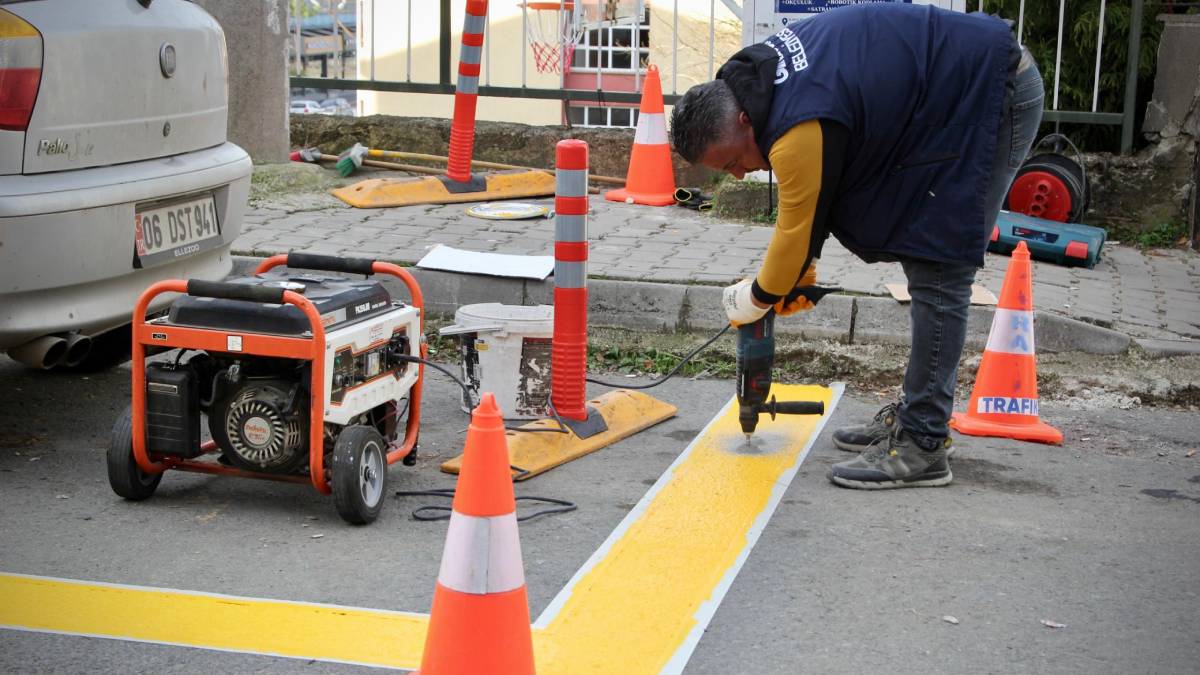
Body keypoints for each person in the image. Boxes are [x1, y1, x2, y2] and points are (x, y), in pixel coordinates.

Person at [670, 3, 1044, 489]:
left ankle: (924, 443)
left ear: (742, 120)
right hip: (942, 94)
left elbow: (795, 227)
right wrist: (800, 271)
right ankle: (914, 415)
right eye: (727, 172)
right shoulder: (758, 82)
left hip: (989, 92)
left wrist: (759, 296)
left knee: (938, 263)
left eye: (734, 160)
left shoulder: (793, 125)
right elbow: (823, 183)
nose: (740, 173)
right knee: (925, 248)